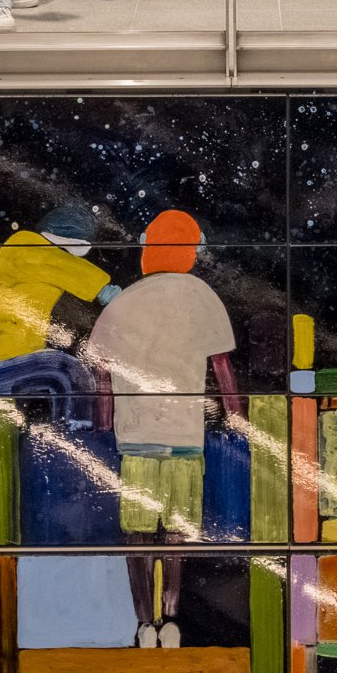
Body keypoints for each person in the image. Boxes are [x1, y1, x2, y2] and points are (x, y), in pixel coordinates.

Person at [81, 208, 242, 636]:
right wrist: (236, 416)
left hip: (135, 438)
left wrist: (104, 421)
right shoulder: (201, 295)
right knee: (176, 532)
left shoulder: (126, 299)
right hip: (185, 436)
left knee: (136, 534)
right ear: (192, 250)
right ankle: (170, 618)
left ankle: (143, 622)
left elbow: (99, 368)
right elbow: (221, 365)